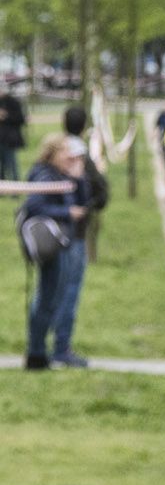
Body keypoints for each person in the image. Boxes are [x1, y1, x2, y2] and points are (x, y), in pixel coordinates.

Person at [20, 134, 92, 370]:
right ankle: (37, 353)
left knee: (55, 297)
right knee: (47, 299)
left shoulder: (63, 173)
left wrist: (79, 176)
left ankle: (42, 351)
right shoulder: (44, 174)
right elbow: (34, 206)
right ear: (52, 154)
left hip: (64, 242)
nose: (69, 156)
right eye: (64, 151)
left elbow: (83, 201)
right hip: (53, 244)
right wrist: (66, 213)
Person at [62, 105, 110, 263]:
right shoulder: (80, 155)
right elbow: (98, 188)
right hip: (76, 221)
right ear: (83, 127)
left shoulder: (58, 149)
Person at [0, 84, 28, 180]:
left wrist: (6, 117)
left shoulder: (13, 102)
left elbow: (21, 119)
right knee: (2, 164)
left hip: (9, 138)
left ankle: (15, 185)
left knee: (11, 163)